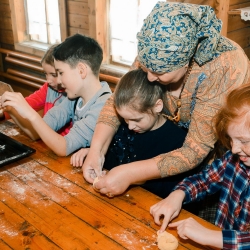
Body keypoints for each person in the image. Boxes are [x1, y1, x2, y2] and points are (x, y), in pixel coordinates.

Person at [82, 2, 250, 203]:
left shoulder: (224, 66)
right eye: (146, 68)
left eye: (159, 72)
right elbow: (117, 101)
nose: (150, 78)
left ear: (185, 59)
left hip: (223, 167)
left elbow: (194, 149)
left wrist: (129, 173)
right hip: (169, 150)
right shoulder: (156, 49)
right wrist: (96, 151)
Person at [71, 69, 200, 199]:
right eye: (125, 119)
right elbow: (113, 160)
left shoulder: (177, 141)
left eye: (136, 119)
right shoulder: (124, 127)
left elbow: (166, 191)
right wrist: (95, 154)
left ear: (158, 106)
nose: (130, 126)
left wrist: (133, 178)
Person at [150, 84, 250, 249]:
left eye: (244, 141)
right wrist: (178, 194)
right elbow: (205, 180)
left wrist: (211, 236)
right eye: (231, 139)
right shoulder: (234, 160)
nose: (234, 149)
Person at [0, 34, 112, 156]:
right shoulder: (74, 98)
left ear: (81, 70)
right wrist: (11, 109)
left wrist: (30, 113)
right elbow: (37, 132)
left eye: (61, 73)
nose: (58, 81)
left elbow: (64, 148)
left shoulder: (104, 105)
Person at [0, 45, 71, 135]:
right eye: (46, 74)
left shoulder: (71, 98)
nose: (48, 80)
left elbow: (38, 133)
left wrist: (12, 109)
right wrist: (5, 111)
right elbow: (28, 104)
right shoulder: (48, 88)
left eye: (54, 75)